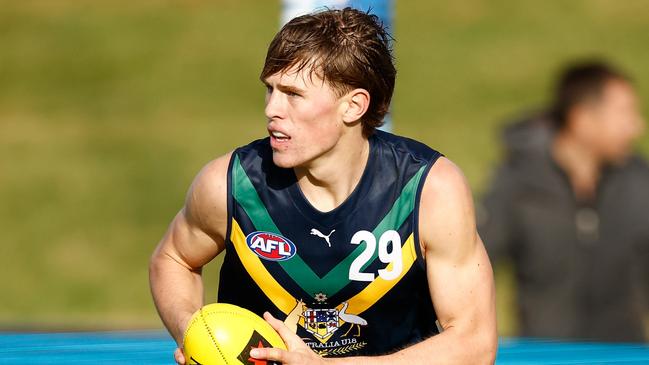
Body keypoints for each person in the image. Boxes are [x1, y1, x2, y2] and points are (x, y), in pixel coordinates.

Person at [150, 8, 497, 364]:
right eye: (270, 90)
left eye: (293, 94)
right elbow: (173, 258)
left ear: (354, 106)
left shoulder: (428, 191)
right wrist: (193, 330)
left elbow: (474, 343)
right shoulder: (231, 184)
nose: (272, 109)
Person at [479, 60, 649, 342]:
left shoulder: (638, 181)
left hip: (625, 355)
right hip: (546, 356)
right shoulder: (518, 184)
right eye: (624, 113)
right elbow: (472, 266)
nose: (636, 127)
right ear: (582, 118)